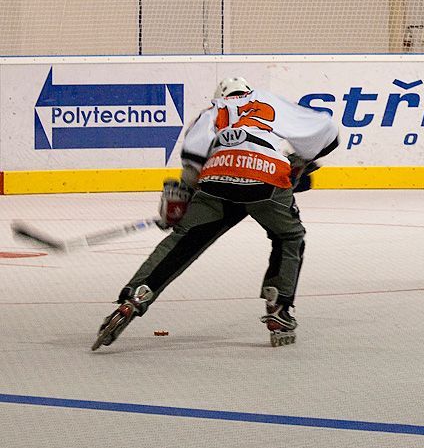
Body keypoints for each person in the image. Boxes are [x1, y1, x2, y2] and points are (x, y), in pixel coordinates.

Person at [92, 77, 339, 350]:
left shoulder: (213, 110)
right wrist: (299, 162)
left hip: (218, 179)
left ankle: (136, 297)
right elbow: (327, 131)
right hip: (266, 177)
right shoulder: (265, 99)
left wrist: (182, 201)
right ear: (247, 91)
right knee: (289, 236)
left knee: (184, 241)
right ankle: (279, 308)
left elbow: (193, 161)